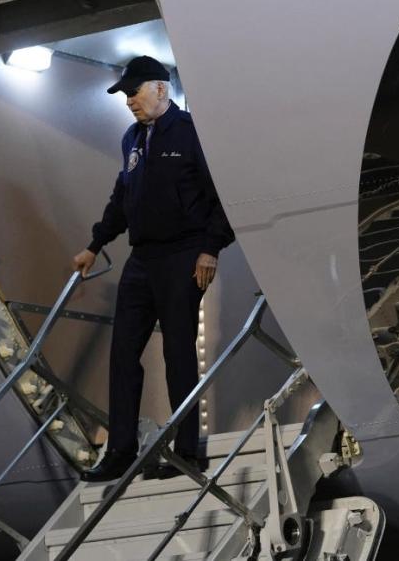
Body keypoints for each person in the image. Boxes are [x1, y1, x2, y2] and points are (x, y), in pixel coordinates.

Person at [73, 55, 235, 482]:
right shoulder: (133, 139)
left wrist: (210, 248)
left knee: (177, 351)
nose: (128, 101)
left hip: (184, 256)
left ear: (160, 89)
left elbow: (223, 192)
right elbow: (121, 199)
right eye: (125, 94)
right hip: (142, 259)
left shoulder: (193, 132)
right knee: (123, 352)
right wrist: (95, 244)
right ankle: (121, 450)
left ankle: (186, 453)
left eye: (134, 92)